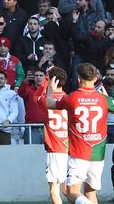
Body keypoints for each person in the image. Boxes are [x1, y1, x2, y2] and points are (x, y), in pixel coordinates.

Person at [46, 62, 114, 204]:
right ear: (95, 78)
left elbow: (50, 104)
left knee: (71, 192)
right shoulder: (103, 99)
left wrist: (50, 89)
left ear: (78, 79)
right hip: (98, 153)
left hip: (79, 153)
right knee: (90, 192)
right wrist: (108, 98)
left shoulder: (72, 97)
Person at [42, 68, 70, 204]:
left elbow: (36, 97)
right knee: (68, 190)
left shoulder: (45, 99)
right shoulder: (70, 99)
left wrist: (46, 81)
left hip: (54, 148)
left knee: (54, 190)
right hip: (70, 148)